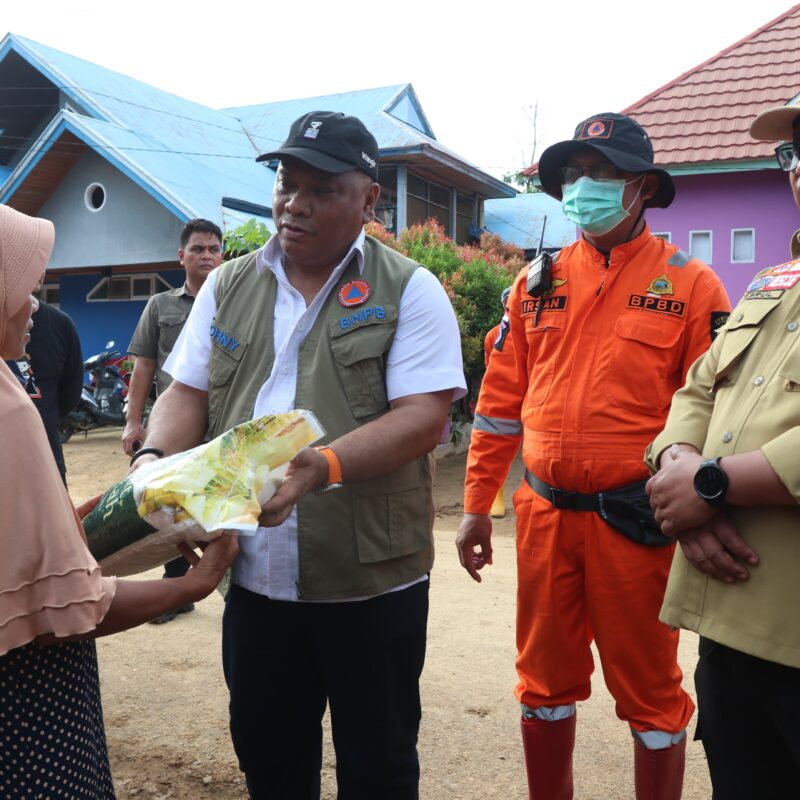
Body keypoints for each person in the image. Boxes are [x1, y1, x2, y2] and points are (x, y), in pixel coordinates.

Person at [132, 110, 466, 799]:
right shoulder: (227, 286)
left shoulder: (410, 291)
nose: (295, 204)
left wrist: (322, 467)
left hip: (371, 580)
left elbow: (423, 418)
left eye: (322, 189)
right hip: (254, 577)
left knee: (378, 767)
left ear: (370, 200)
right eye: (288, 182)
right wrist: (156, 454)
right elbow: (186, 388)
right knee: (270, 759)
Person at [456, 112, 731, 800]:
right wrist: (477, 507)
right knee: (542, 685)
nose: (585, 188)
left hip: (636, 525)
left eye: (603, 174)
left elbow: (717, 416)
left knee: (652, 695)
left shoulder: (693, 286)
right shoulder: (533, 285)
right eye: (575, 175)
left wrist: (706, 506)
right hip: (545, 518)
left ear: (641, 188)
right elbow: (497, 404)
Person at [0, 204, 239, 798]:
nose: (36, 306)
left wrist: (78, 517)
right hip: (25, 711)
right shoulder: (9, 412)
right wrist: (191, 585)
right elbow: (61, 614)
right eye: (26, 289)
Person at [645, 99, 800, 798]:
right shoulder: (775, 283)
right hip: (732, 625)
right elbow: (698, 387)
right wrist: (683, 471)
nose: (798, 169)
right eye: (791, 154)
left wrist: (710, 488)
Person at [123, 218, 223, 622]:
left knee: (219, 502)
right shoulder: (160, 306)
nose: (207, 255)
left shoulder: (232, 302)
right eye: (198, 249)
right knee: (170, 505)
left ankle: (235, 587)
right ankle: (175, 588)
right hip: (174, 425)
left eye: (214, 249)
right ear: (181, 256)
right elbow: (144, 366)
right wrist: (134, 422)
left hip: (220, 422)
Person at [483, 285, 512, 517]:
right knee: (496, 451)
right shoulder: (493, 336)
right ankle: (496, 498)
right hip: (505, 401)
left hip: (537, 399)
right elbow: (490, 372)